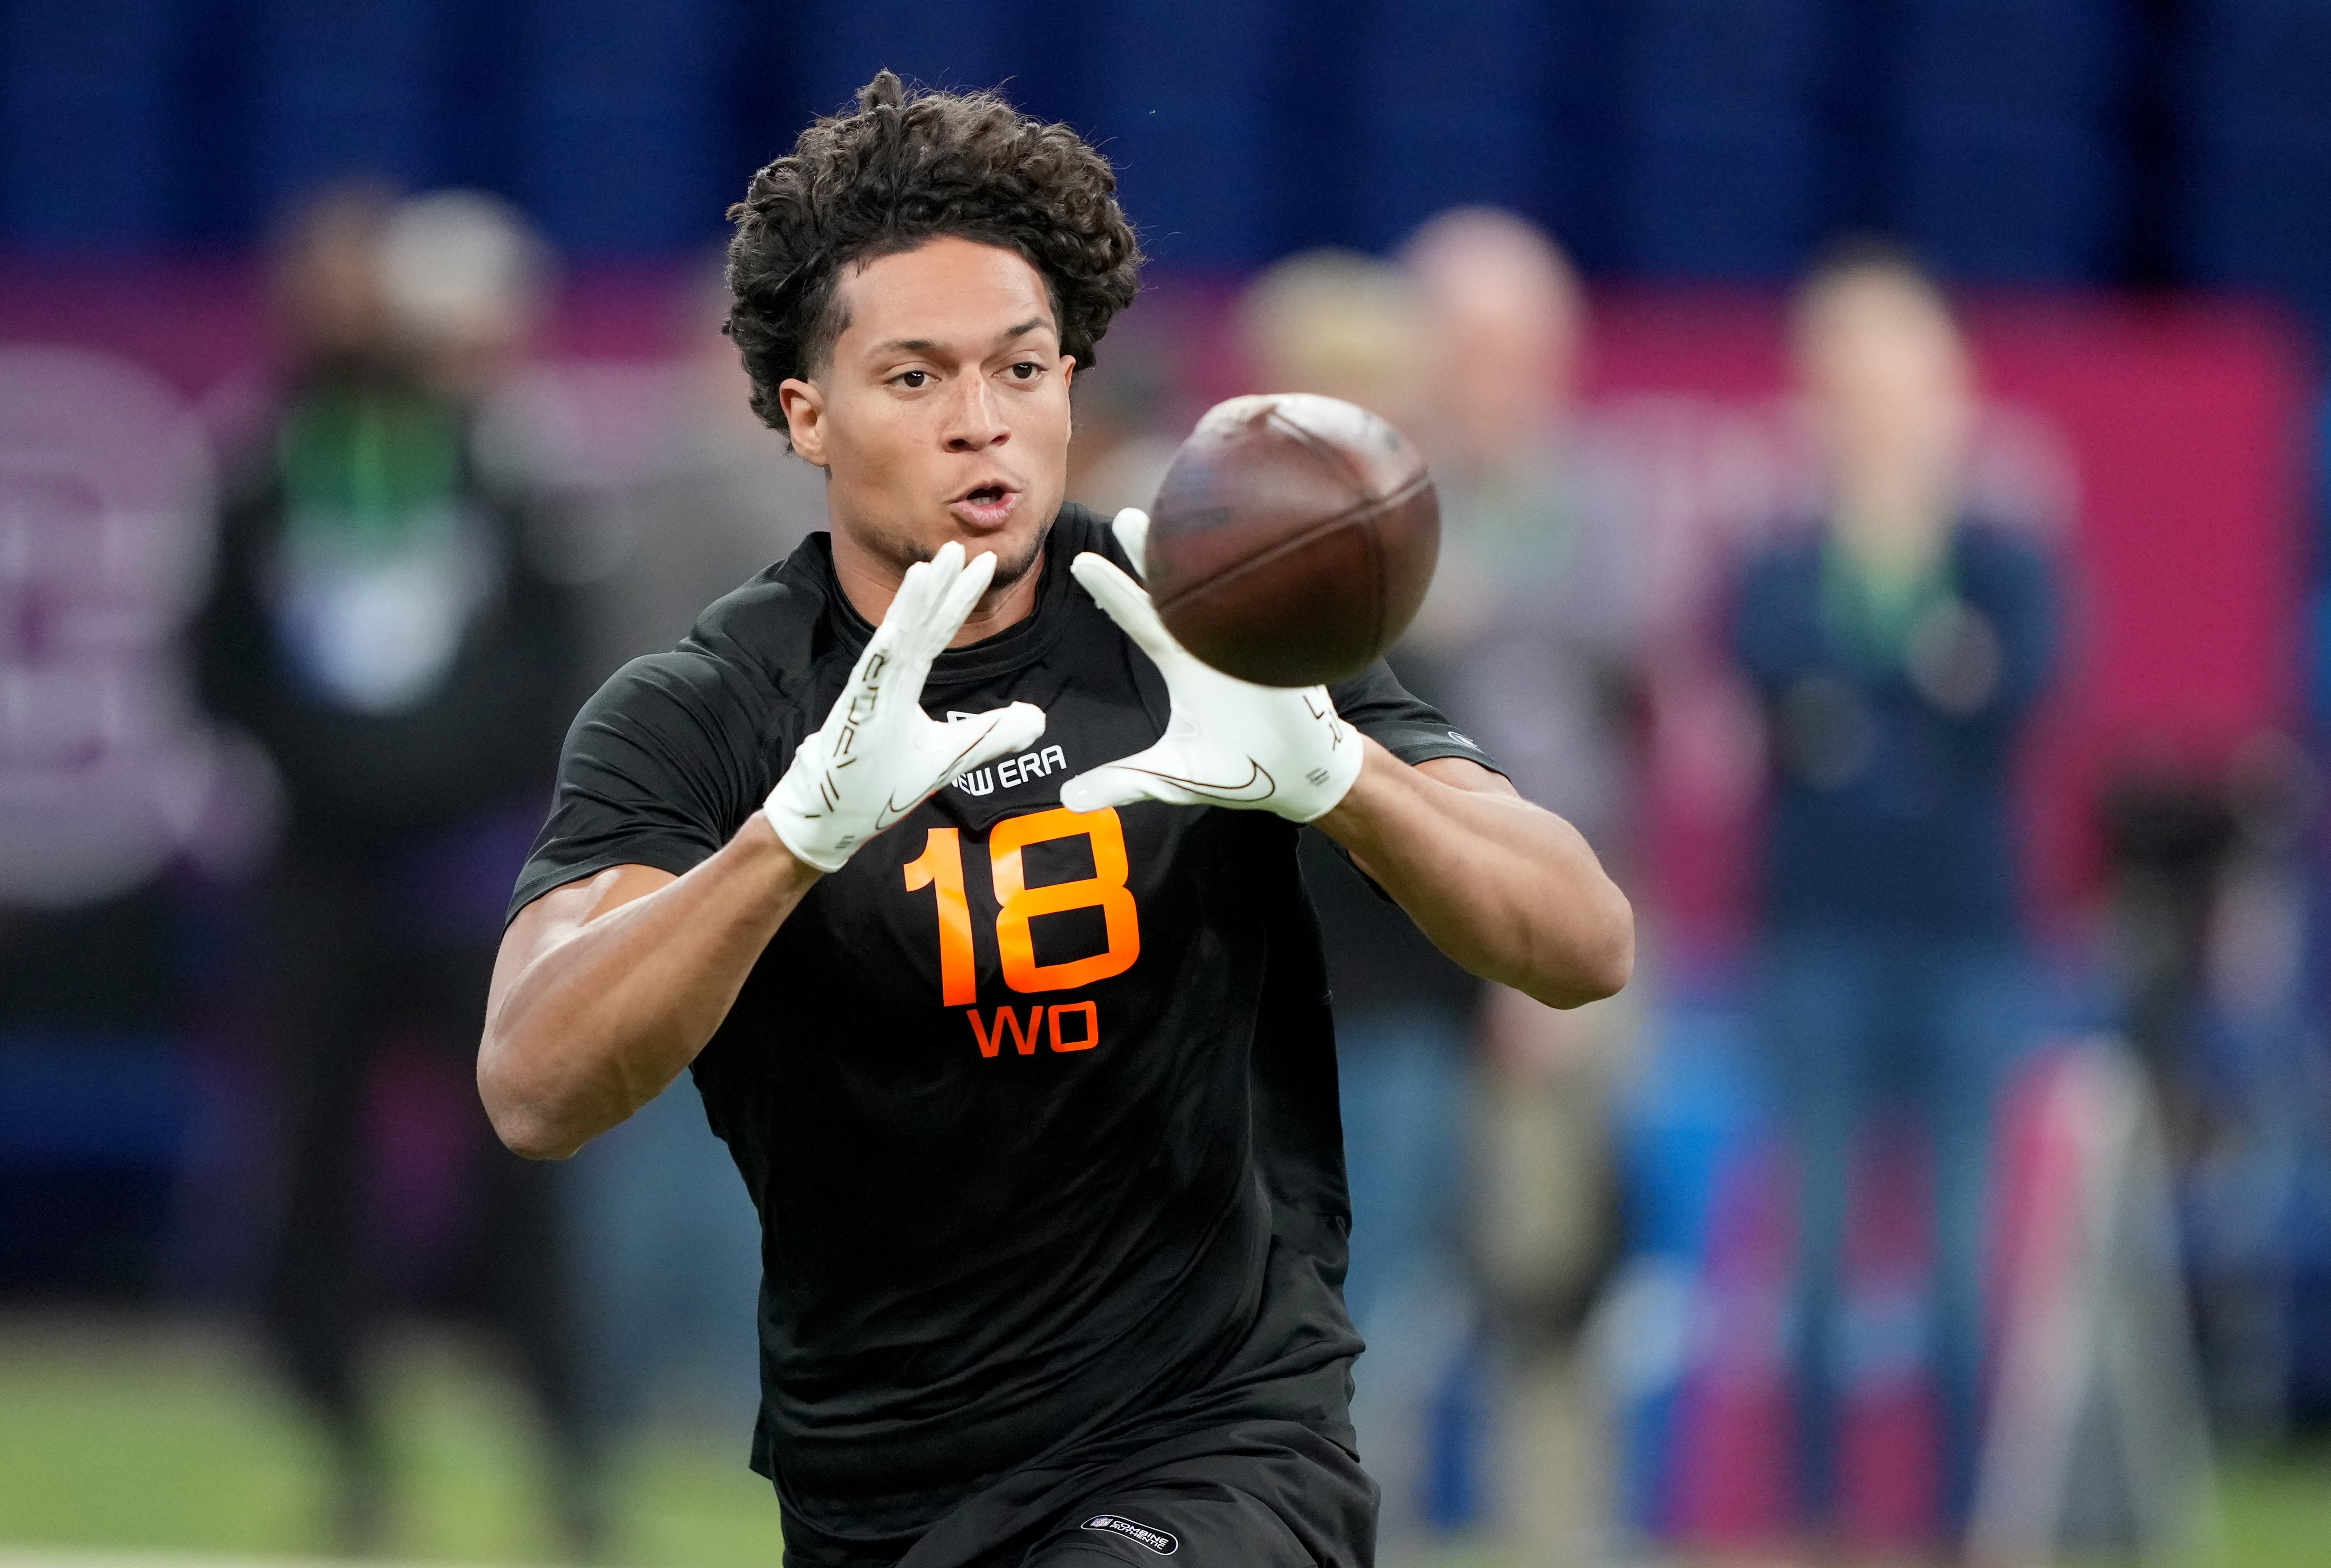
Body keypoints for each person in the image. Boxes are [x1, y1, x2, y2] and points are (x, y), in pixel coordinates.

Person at [478, 74, 1633, 1568]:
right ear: (804, 412)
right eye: (914, 379)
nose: (983, 425)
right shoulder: (705, 711)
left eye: (1021, 369)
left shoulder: (1209, 628)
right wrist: (788, 841)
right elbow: (536, 1082)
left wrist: (1338, 773)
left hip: (1213, 1433)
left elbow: (1581, 939)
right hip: (876, 1472)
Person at [197, 186, 600, 1554]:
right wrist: (340, 781)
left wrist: (447, 784)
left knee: (525, 1160)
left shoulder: (500, 461)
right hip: (320, 879)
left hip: (471, 873)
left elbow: (554, 660)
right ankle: (347, 1446)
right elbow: (218, 660)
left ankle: (566, 1455)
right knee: (311, 1172)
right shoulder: (268, 463)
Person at [1729, 239, 2059, 1550]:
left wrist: (1869, 697)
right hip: (1816, 934)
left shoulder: (2007, 560)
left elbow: (2007, 701)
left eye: (1898, 388)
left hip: (1965, 937)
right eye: (1850, 390)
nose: (1876, 419)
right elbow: (1779, 683)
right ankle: (1815, 1518)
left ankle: (1964, 1521)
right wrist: (1924, 677)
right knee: (1811, 1249)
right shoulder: (1779, 560)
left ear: (1950, 398)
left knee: (1963, 1259)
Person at [1396, 207, 1648, 1562]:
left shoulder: (1596, 502)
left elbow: (1608, 712)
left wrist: (1538, 957)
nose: (1495, 374)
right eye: (1468, 344)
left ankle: (1552, 1534)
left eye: (1516, 346)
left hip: (1534, 923)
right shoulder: (1378, 492)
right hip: (1384, 943)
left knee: (1548, 1261)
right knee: (1374, 1264)